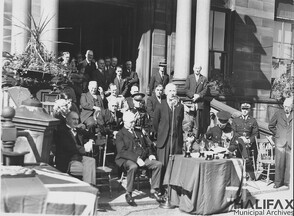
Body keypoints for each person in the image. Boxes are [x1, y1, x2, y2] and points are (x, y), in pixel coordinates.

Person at [115, 111, 163, 204]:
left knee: (158, 164)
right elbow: (121, 151)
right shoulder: (120, 134)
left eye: (134, 122)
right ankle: (129, 193)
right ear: (125, 122)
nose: (133, 124)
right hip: (127, 158)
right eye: (131, 122)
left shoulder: (138, 131)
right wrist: (136, 158)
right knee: (133, 167)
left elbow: (147, 145)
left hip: (143, 157)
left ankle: (154, 190)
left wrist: (150, 154)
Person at [55, 111, 96, 184]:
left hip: (78, 158)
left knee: (91, 161)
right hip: (67, 160)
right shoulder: (62, 131)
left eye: (77, 119)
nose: (76, 121)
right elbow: (71, 146)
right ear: (67, 119)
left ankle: (89, 187)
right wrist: (85, 149)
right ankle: (89, 188)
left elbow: (91, 134)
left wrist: (90, 141)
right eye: (73, 119)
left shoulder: (78, 130)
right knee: (89, 168)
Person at [153, 83, 184, 167]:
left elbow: (180, 122)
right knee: (163, 164)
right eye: (170, 91)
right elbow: (155, 122)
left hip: (175, 139)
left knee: (175, 164)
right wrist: (160, 133)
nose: (172, 93)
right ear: (166, 92)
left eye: (174, 91)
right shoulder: (160, 106)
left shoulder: (180, 106)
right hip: (164, 140)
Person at [268, 97, 293, 188]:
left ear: (291, 106)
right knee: (279, 163)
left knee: (289, 163)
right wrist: (277, 133)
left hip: (291, 142)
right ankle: (278, 182)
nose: (287, 108)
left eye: (289, 107)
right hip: (280, 142)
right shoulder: (278, 113)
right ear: (283, 106)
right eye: (285, 106)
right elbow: (271, 126)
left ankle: (287, 182)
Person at [231, 102, 259, 180]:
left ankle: (242, 173)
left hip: (248, 142)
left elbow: (256, 134)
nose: (244, 111)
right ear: (241, 109)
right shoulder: (236, 120)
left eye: (246, 109)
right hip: (237, 141)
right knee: (240, 141)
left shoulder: (253, 121)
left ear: (249, 110)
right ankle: (247, 162)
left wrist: (249, 140)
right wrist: (242, 139)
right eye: (243, 109)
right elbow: (234, 133)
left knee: (243, 145)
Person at [184, 64, 208, 139]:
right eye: (196, 68)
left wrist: (198, 95)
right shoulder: (189, 77)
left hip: (199, 103)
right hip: (190, 102)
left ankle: (196, 139)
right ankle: (187, 139)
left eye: (199, 68)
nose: (197, 70)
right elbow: (186, 89)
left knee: (198, 123)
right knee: (189, 121)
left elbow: (205, 90)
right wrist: (192, 95)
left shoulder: (204, 78)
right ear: (193, 69)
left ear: (200, 69)